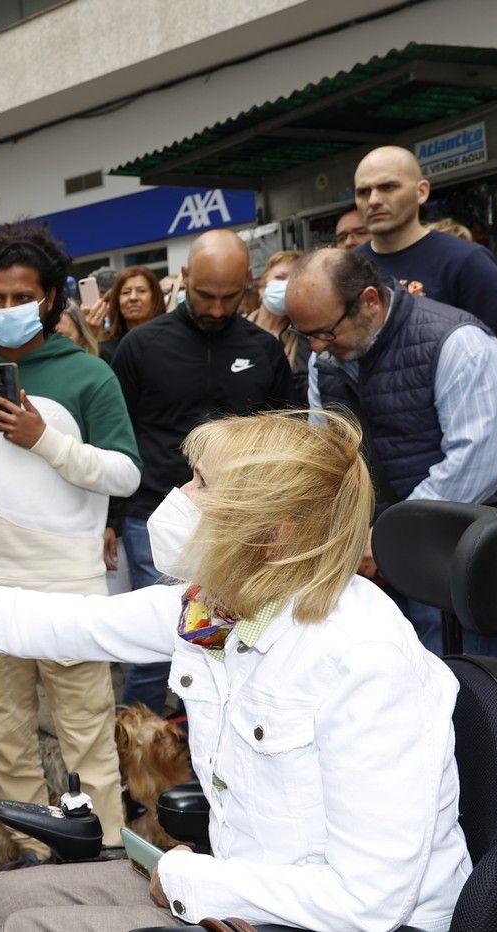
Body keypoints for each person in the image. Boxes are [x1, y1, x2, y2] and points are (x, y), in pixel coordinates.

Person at [0, 410, 471, 932]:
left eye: (201, 485)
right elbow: (44, 621)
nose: (179, 497)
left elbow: (372, 900)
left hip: (331, 920)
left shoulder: (361, 661)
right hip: (252, 883)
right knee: (13, 895)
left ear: (270, 532)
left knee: (35, 921)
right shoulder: (223, 608)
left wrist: (193, 878)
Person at [0, 221, 140, 866]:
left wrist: (46, 440)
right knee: (6, 738)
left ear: (49, 298)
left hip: (69, 587)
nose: (8, 309)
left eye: (22, 296)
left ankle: (103, 857)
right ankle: (30, 854)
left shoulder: (89, 376)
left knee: (88, 737)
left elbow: (126, 473)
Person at [290, 248, 497, 657]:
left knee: (462, 694)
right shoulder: (326, 358)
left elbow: (479, 462)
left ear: (370, 302)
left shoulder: (458, 344)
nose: (316, 346)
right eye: (304, 334)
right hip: (372, 561)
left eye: (325, 332)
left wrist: (390, 539)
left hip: (454, 560)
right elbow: (323, 455)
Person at [111, 229, 296, 713]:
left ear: (249, 285)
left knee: (240, 644)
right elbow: (118, 437)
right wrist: (111, 520)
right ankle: (139, 766)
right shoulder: (140, 347)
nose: (216, 309)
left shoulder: (264, 350)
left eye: (229, 297)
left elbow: (287, 437)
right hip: (156, 514)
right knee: (156, 644)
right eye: (205, 295)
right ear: (185, 278)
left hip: (245, 524)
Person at [352, 146, 497, 333]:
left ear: (421, 192)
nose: (373, 200)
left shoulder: (466, 261)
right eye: (363, 192)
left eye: (387, 187)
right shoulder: (346, 267)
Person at [243, 249, 308, 403]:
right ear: (262, 289)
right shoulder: (237, 330)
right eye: (280, 277)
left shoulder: (305, 337)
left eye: (294, 281)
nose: (286, 286)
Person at [96, 266, 164, 362]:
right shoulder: (106, 351)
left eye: (141, 291)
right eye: (126, 292)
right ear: (117, 301)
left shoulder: (170, 340)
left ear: (155, 297)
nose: (133, 298)